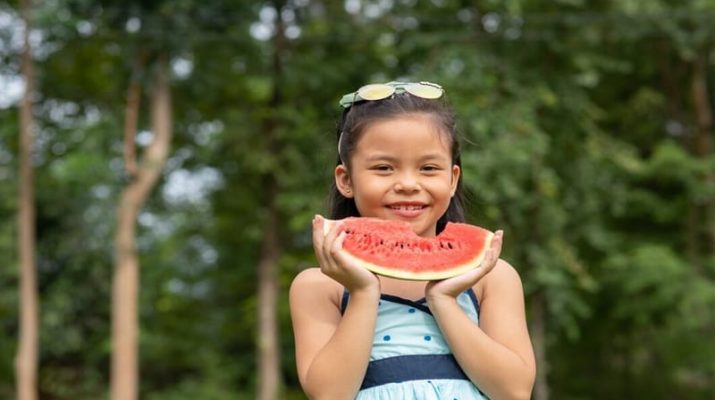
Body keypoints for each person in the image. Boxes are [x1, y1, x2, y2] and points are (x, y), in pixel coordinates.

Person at [289, 81, 535, 400]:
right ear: (346, 180)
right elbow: (329, 394)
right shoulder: (321, 286)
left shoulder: (491, 276)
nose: (407, 184)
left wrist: (444, 301)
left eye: (429, 168)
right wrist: (363, 292)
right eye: (384, 168)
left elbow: (514, 391)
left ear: (452, 179)